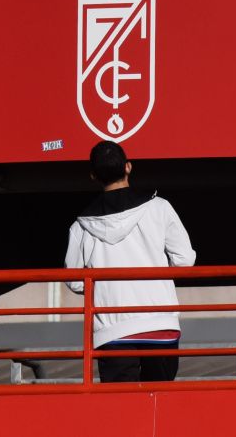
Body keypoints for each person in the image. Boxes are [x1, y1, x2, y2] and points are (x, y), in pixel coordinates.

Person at [64, 139, 195, 384]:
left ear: (93, 176)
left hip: (112, 331)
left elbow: (73, 280)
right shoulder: (160, 208)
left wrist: (104, 288)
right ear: (128, 167)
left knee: (120, 411)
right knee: (159, 405)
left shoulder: (80, 226)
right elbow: (185, 260)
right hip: (160, 323)